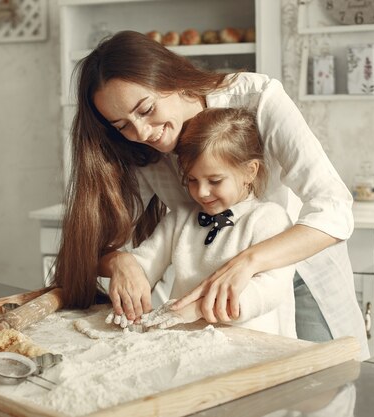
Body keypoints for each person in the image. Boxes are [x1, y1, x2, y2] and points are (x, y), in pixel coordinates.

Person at [53, 30, 369, 359]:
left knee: (329, 388)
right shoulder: (140, 149)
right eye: (122, 125)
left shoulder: (257, 99)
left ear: (170, 78)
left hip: (302, 269)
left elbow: (334, 208)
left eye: (146, 109)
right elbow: (98, 247)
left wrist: (248, 262)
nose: (142, 132)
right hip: (210, 306)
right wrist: (120, 262)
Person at [122, 107, 296, 337]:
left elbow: (269, 289)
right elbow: (146, 263)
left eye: (214, 180)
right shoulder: (181, 218)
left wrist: (198, 309)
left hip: (250, 344)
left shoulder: (268, 219)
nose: (201, 192)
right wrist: (129, 289)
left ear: (250, 172)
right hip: (187, 341)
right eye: (192, 180)